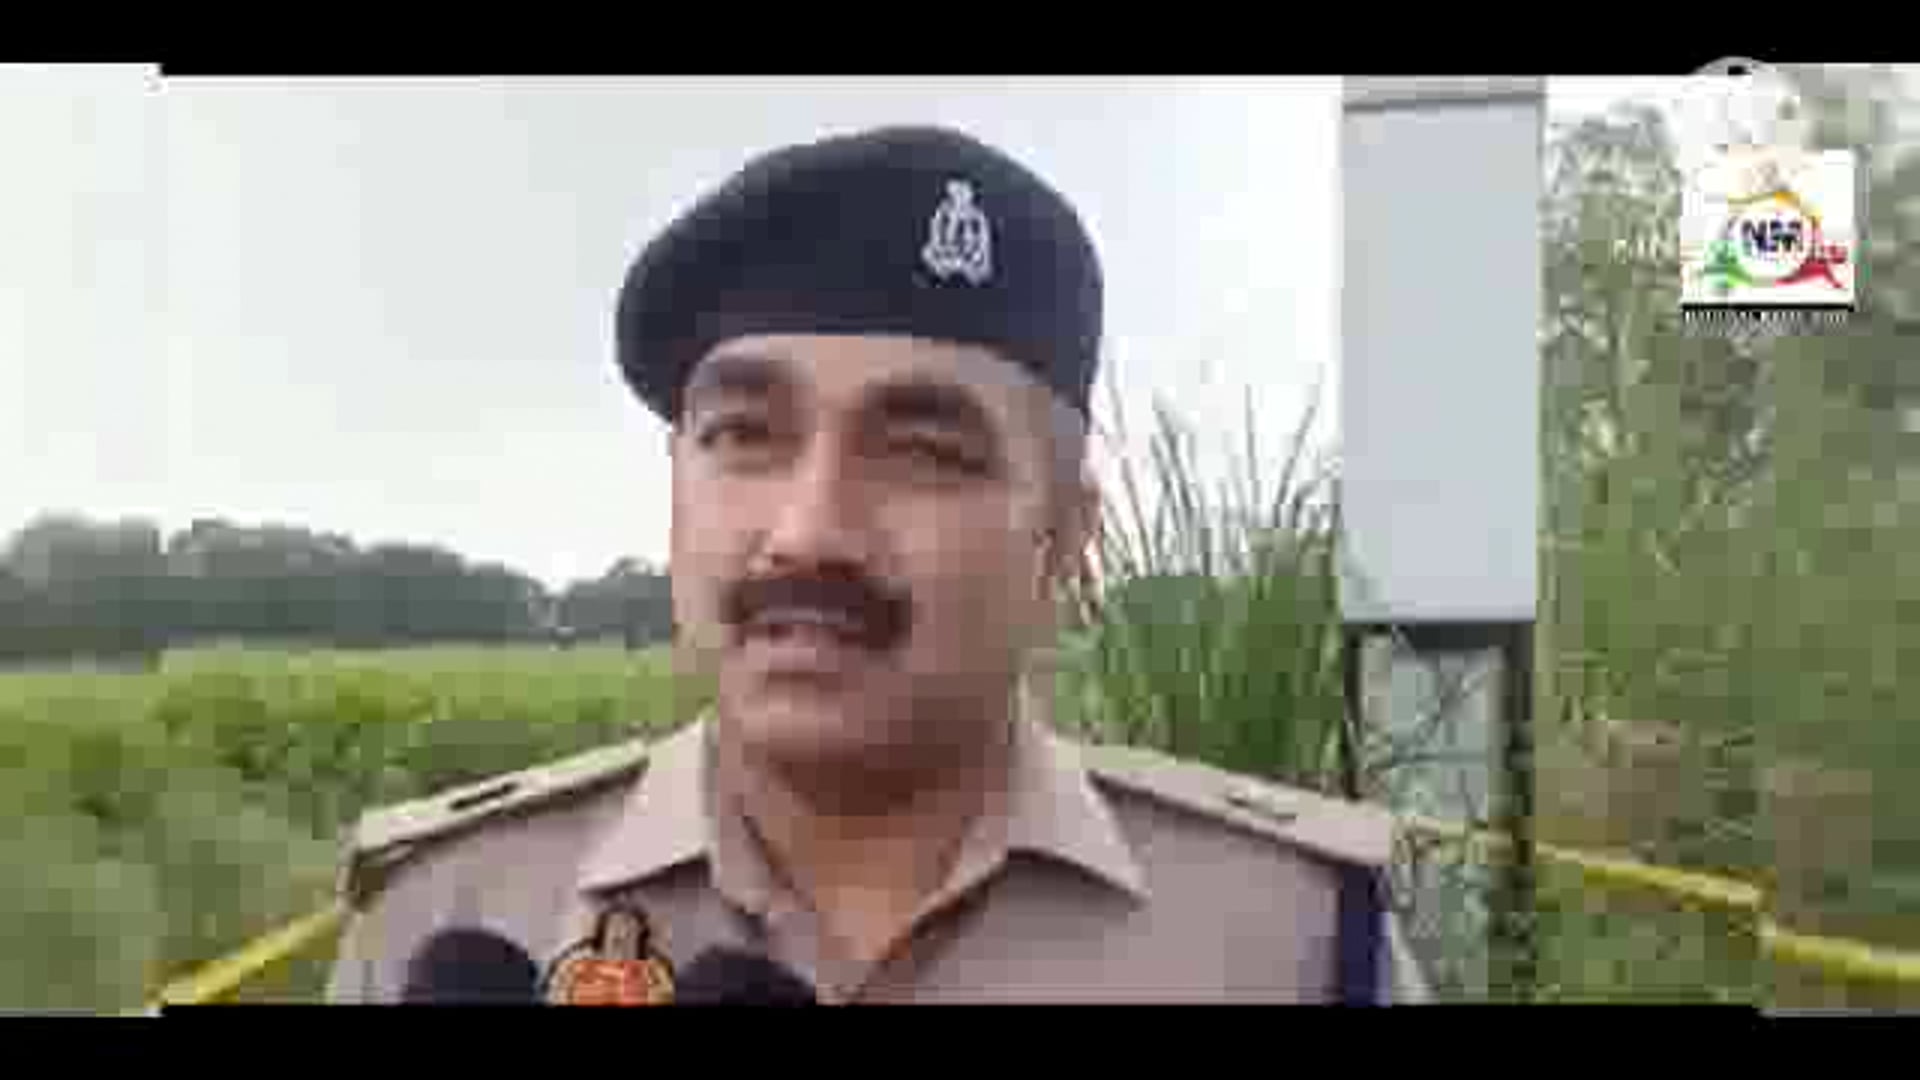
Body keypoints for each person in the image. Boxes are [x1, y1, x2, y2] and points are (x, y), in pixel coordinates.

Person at [325, 124, 1430, 1004]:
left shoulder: (1290, 939)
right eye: (745, 436)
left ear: (1066, 542)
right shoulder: (452, 913)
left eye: (922, 452)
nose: (809, 530)